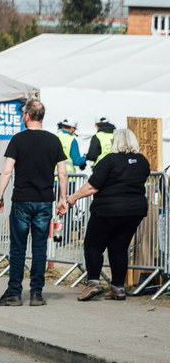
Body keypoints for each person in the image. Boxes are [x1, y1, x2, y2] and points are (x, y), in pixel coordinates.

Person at [0, 99, 68, 307]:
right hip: (44, 201)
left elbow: (7, 171)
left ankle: (15, 293)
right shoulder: (54, 141)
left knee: (18, 248)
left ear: (27, 116)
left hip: (22, 200)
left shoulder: (18, 140)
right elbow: (62, 173)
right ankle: (36, 293)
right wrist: (63, 199)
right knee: (40, 248)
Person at [64, 128, 151, 302]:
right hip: (134, 211)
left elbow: (92, 186)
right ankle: (118, 287)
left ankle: (93, 284)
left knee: (93, 244)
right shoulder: (142, 161)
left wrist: (72, 197)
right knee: (119, 247)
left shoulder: (109, 160)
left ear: (115, 142)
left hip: (108, 210)